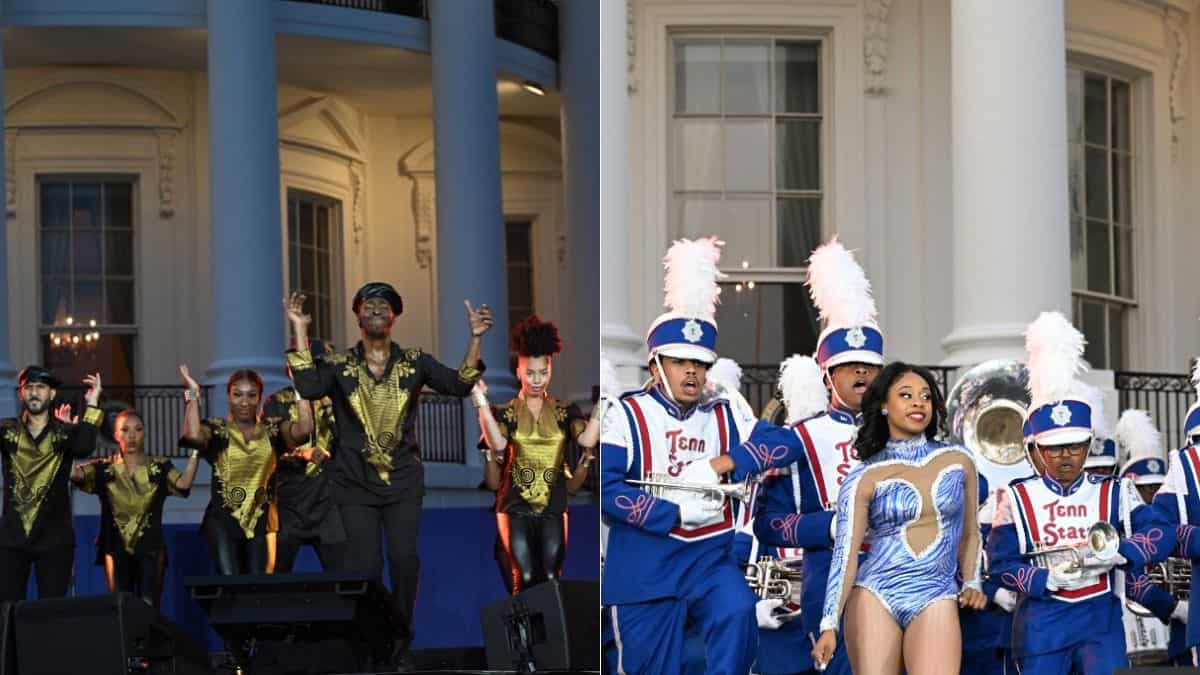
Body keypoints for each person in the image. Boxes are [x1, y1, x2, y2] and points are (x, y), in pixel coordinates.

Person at [600, 237, 809, 675]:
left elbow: (788, 444)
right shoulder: (626, 414)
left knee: (737, 612)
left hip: (708, 561)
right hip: (644, 564)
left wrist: (723, 462)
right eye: (681, 362)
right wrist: (672, 512)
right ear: (656, 365)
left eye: (700, 363)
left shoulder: (726, 412)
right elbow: (606, 490)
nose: (692, 371)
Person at [284, 285, 490, 667]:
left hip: (403, 482)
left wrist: (475, 338)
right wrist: (299, 328)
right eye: (369, 304)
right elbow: (308, 386)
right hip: (353, 484)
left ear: (394, 315)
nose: (377, 308)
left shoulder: (415, 361)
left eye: (384, 304)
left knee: (404, 562)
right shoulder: (339, 364)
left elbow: (459, 384)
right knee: (366, 570)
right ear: (358, 316)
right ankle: (373, 644)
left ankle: (400, 640)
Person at [988, 312, 1174, 674]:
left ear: (1088, 445)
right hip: (1040, 627)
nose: (1065, 456)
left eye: (1074, 446)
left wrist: (1123, 551)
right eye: (1054, 448)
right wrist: (1042, 579)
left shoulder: (1116, 491)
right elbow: (998, 565)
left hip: (1100, 625)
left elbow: (1161, 530)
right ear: (1038, 449)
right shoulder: (1017, 498)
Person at [754, 238, 884, 675]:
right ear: (828, 376)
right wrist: (825, 526)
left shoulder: (909, 433)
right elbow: (769, 522)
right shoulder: (800, 437)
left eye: (869, 366)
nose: (861, 373)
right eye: (849, 366)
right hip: (830, 579)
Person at [813, 362, 986, 674]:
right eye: (906, 395)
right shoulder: (864, 476)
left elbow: (971, 532)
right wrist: (829, 624)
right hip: (875, 595)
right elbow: (845, 553)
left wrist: (973, 581)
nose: (918, 403)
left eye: (926, 396)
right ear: (883, 405)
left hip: (937, 592)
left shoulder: (960, 461)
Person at [474, 316, 599, 594]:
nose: (537, 380)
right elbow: (496, 443)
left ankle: (550, 624)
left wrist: (602, 406)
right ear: (518, 371)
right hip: (514, 506)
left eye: (543, 372)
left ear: (550, 369)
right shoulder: (505, 411)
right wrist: (481, 403)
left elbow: (587, 440)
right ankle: (524, 624)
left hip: (553, 506)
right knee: (525, 576)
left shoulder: (565, 411)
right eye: (530, 373)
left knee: (552, 576)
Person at [179, 364, 313, 575]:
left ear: (259, 398)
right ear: (229, 397)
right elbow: (193, 436)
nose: (244, 401)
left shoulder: (273, 429)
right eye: (237, 394)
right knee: (230, 582)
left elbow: (304, 430)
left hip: (262, 521)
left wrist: (300, 390)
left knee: (259, 584)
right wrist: (192, 394)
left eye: (251, 395)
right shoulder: (217, 429)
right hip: (223, 520)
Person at [71, 409, 200, 606]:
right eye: (125, 430)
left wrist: (196, 451)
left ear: (144, 432)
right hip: (114, 548)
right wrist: (70, 439)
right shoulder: (104, 468)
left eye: (137, 429)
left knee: (149, 605)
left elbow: (183, 484)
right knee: (120, 606)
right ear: (116, 435)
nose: (131, 436)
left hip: (151, 548)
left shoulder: (159, 466)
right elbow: (74, 474)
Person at [0, 366, 104, 601]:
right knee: (7, 610)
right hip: (12, 538)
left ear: (52, 393)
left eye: (41, 387)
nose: (34, 392)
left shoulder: (65, 433)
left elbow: (85, 446)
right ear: (20, 393)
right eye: (29, 387)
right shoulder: (6, 430)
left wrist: (93, 402)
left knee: (52, 611)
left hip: (55, 540)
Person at [262, 341, 343, 573]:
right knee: (277, 574)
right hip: (289, 499)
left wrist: (329, 405)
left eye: (319, 367)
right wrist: (303, 453)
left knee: (343, 575)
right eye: (306, 367)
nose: (313, 373)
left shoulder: (339, 402)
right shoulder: (277, 402)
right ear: (290, 369)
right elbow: (268, 446)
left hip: (328, 499)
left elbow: (352, 444)